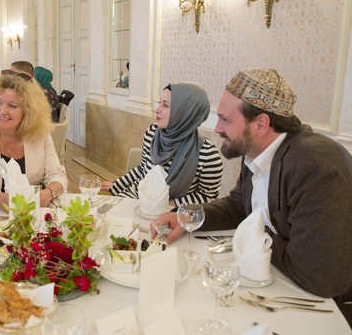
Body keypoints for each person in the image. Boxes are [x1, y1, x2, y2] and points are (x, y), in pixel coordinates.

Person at [151, 69, 352, 324]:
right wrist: (187, 215)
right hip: (273, 284)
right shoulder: (257, 152)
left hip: (322, 311)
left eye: (225, 120)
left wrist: (256, 235)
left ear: (261, 124)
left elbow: (320, 275)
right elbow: (238, 206)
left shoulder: (316, 167)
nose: (217, 128)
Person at [0, 73, 67, 211]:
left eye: (12, 106)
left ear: (27, 111)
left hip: (30, 214)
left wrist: (48, 193)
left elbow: (57, 175)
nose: (2, 111)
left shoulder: (40, 135)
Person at [101, 83, 223, 207]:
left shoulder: (207, 154)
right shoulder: (152, 133)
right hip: (136, 198)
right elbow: (143, 169)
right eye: (160, 102)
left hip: (173, 215)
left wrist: (170, 204)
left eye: (165, 105)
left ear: (186, 112)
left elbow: (208, 196)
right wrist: (116, 185)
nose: (157, 109)